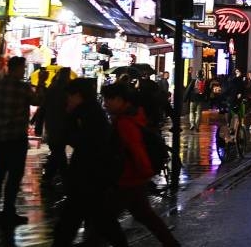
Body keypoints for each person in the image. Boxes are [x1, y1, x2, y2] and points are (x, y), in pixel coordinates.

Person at [102, 81, 180, 246]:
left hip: (127, 178)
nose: (105, 103)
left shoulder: (125, 122)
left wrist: (144, 171)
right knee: (145, 216)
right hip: (133, 178)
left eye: (109, 99)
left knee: (104, 220)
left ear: (121, 100)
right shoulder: (132, 116)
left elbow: (135, 148)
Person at [52, 79, 126, 246]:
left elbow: (80, 140)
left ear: (78, 95)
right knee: (99, 220)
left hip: (87, 176)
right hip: (91, 176)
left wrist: (69, 118)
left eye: (70, 96)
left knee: (78, 221)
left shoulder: (86, 113)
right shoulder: (92, 111)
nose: (68, 99)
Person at [0, 55, 42, 226]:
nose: (24, 71)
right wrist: (42, 83)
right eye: (23, 68)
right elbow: (38, 101)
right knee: (14, 176)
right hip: (16, 138)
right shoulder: (22, 88)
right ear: (17, 68)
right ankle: (8, 211)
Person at [41, 67, 74, 183]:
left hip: (53, 123)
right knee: (58, 150)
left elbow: (43, 104)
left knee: (57, 150)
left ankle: (51, 175)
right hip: (63, 123)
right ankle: (62, 175)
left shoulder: (53, 87)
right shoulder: (68, 89)